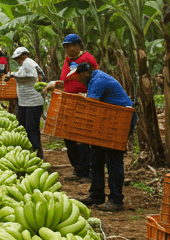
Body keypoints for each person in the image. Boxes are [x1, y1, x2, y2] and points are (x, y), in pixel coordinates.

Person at [71, 62, 133, 212]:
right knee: (96, 158)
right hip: (107, 119)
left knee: (113, 160)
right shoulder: (94, 79)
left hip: (120, 119)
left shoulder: (98, 80)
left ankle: (116, 199)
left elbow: (91, 105)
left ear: (85, 73)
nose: (78, 80)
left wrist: (82, 133)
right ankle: (96, 195)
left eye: (78, 77)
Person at [49, 34, 98, 181]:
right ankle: (78, 169)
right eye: (64, 46)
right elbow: (66, 79)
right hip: (68, 101)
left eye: (69, 46)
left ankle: (86, 171)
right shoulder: (68, 60)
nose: (66, 49)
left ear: (77, 46)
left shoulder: (87, 59)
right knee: (69, 137)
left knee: (81, 137)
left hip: (83, 102)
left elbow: (93, 78)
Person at [5, 47, 44, 157]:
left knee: (32, 128)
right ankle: (28, 149)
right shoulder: (25, 64)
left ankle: (37, 153)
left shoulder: (28, 62)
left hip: (33, 102)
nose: (17, 61)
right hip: (25, 102)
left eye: (17, 58)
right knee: (23, 125)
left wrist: (13, 74)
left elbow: (30, 75)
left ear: (22, 56)